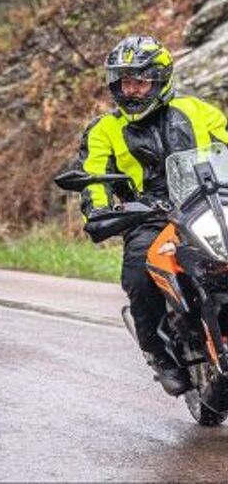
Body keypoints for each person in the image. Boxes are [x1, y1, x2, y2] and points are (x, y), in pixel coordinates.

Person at [77, 34, 228, 397]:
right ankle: (157, 353)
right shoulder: (104, 130)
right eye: (123, 83)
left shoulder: (199, 111)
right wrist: (98, 209)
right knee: (139, 276)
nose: (130, 91)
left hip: (206, 202)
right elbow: (94, 176)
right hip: (149, 216)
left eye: (139, 82)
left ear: (160, 79)